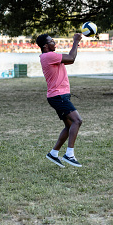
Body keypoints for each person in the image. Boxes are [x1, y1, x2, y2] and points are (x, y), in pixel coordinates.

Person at [36, 33, 84, 168]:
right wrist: (75, 41)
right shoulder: (49, 56)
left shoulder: (49, 57)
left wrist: (75, 45)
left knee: (69, 126)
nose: (54, 42)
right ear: (45, 46)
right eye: (51, 41)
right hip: (58, 96)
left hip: (59, 96)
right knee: (77, 121)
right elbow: (72, 58)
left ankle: (53, 153)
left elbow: (69, 59)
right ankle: (69, 154)